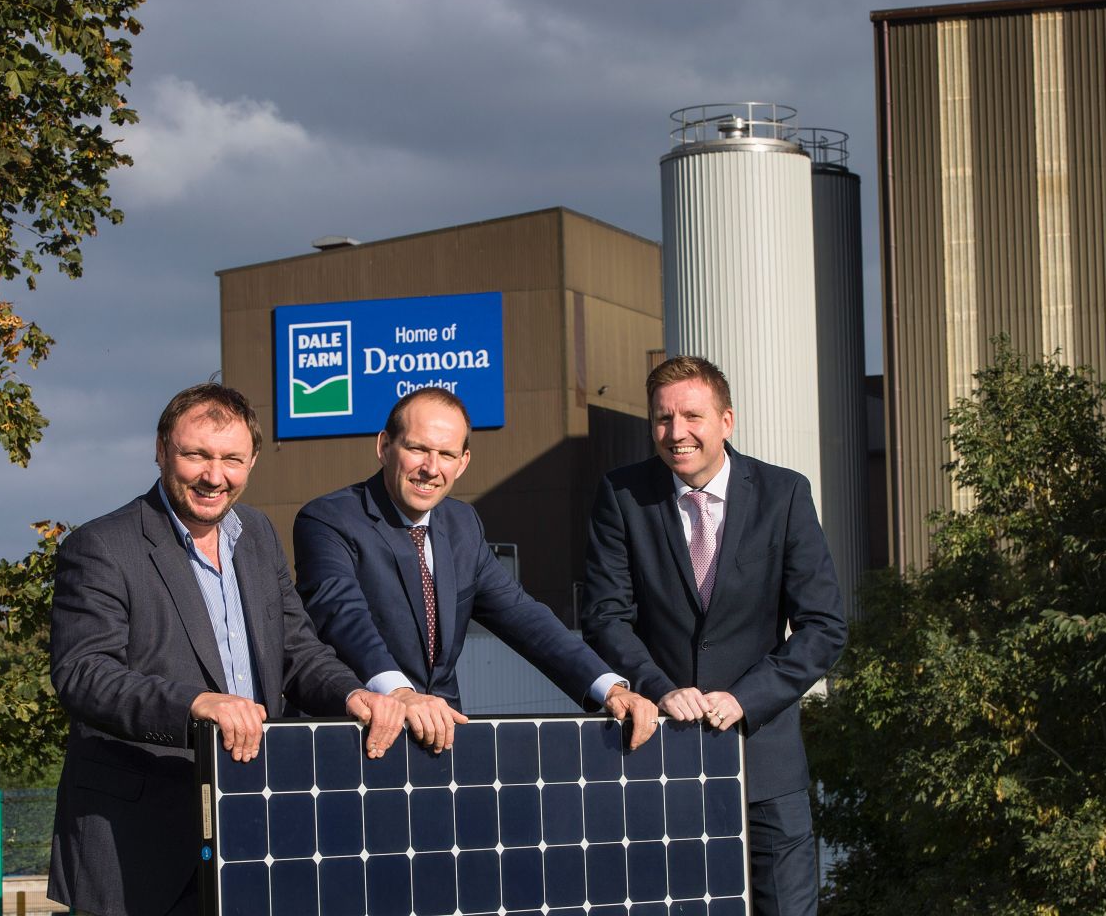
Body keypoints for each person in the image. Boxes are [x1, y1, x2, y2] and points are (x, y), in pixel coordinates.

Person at [48, 384, 405, 916]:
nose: (214, 476)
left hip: (251, 828)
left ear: (252, 460)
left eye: (232, 459)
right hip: (139, 847)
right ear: (162, 449)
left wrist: (351, 695)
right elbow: (83, 673)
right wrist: (195, 705)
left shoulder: (257, 534)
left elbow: (299, 651)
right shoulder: (101, 546)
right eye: (197, 455)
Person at [581, 356, 848, 916]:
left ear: (727, 421)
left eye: (692, 416)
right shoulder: (622, 496)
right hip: (659, 759)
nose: (676, 433)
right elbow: (605, 616)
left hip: (766, 768)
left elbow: (823, 627)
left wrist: (744, 698)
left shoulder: (785, 494)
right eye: (662, 419)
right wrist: (658, 688)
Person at [294, 387, 659, 754]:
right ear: (385, 446)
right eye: (418, 449)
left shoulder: (462, 524)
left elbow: (524, 616)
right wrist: (400, 693)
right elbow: (343, 616)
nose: (431, 468)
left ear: (463, 462)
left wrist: (609, 687)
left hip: (444, 741)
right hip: (359, 741)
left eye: (446, 454)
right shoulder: (329, 519)